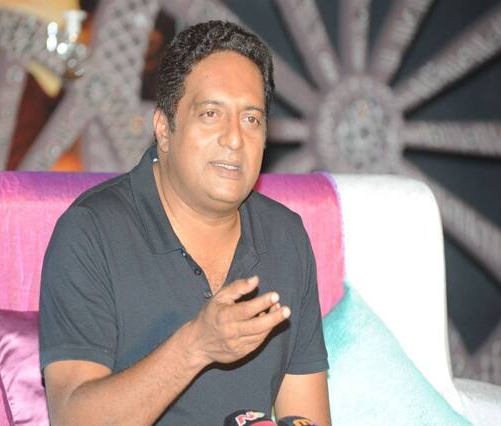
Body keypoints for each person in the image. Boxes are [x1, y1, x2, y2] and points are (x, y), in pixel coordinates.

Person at [39, 20, 330, 425]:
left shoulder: (285, 237)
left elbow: (304, 414)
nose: (234, 139)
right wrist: (196, 346)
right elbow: (73, 419)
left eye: (251, 119)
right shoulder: (91, 232)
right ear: (163, 128)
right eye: (211, 114)